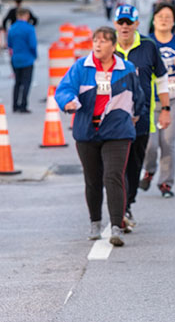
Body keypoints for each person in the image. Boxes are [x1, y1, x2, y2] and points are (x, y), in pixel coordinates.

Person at [55, 27, 145, 247]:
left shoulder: (127, 69)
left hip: (117, 131)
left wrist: (134, 116)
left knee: (113, 176)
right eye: (95, 40)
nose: (98, 44)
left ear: (113, 46)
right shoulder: (82, 67)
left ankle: (116, 226)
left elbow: (139, 96)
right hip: (87, 131)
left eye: (103, 41)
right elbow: (64, 89)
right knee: (92, 179)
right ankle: (95, 223)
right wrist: (68, 101)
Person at [112, 5, 171, 221]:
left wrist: (165, 109)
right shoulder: (108, 46)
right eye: (121, 22)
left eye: (129, 22)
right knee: (117, 165)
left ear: (137, 23)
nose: (125, 26)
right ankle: (120, 208)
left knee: (134, 164)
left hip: (142, 116)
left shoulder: (148, 46)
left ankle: (128, 204)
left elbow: (162, 79)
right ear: (115, 24)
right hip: (113, 119)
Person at [143, 3, 175, 198]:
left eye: (168, 16)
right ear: (154, 19)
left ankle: (165, 183)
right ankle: (148, 169)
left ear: (174, 21)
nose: (164, 19)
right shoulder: (147, 42)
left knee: (168, 142)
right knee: (150, 144)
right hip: (151, 101)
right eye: (160, 16)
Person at [7, 8, 37, 113]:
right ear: (27, 15)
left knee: (17, 83)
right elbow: (32, 44)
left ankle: (15, 105)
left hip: (15, 59)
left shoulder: (12, 28)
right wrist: (34, 55)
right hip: (27, 58)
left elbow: (9, 44)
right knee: (26, 83)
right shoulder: (29, 28)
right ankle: (23, 105)